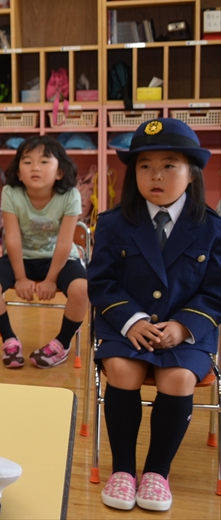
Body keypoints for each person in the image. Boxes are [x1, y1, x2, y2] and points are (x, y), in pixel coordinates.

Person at [89, 118, 220, 512]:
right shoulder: (114, 223)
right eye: (144, 166)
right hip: (125, 327)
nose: (155, 175)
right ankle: (123, 470)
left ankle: (157, 473)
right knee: (123, 372)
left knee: (178, 378)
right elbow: (101, 282)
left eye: (169, 165)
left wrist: (183, 327)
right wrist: (132, 321)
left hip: (187, 331)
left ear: (191, 174)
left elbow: (216, 291)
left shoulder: (212, 227)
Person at [0, 135, 87, 369]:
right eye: (27, 162)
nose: (35, 167)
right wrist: (20, 278)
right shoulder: (11, 192)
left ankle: (62, 342)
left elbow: (64, 242)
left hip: (60, 259)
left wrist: (50, 280)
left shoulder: (70, 195)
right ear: (19, 172)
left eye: (44, 162)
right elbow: (13, 238)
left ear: (60, 171)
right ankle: (9, 337)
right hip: (22, 258)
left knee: (82, 288)